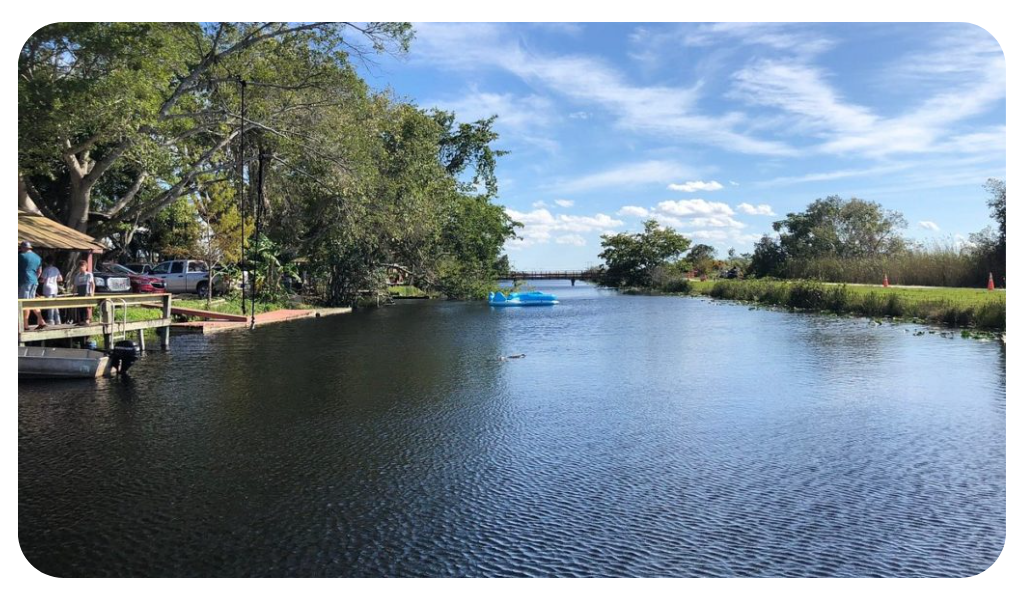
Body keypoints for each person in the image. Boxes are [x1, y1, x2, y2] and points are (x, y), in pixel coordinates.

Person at [18, 241, 47, 330]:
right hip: (34, 281)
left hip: (24, 281)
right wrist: (34, 278)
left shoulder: (21, 256)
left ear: (23, 248)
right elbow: (39, 271)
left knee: (24, 303)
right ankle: (41, 321)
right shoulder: (37, 257)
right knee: (31, 301)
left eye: (20, 248)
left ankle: (25, 326)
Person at [71, 259, 96, 325]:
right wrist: (73, 294)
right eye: (80, 267)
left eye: (83, 266)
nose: (81, 268)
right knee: (80, 307)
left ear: (86, 267)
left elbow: (92, 284)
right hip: (80, 292)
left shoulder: (89, 275)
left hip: (87, 293)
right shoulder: (77, 276)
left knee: (86, 307)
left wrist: (92, 292)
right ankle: (80, 320)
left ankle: (87, 319)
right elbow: (75, 285)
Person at [40, 258, 64, 325]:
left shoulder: (46, 269)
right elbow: (60, 279)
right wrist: (54, 280)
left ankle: (51, 320)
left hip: (48, 288)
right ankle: (58, 320)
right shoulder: (56, 269)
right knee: (55, 304)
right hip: (54, 288)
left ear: (46, 263)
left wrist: (39, 281)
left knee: (50, 304)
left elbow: (43, 279)